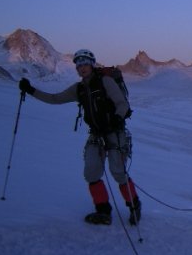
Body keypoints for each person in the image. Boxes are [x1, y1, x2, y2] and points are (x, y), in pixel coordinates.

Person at [18, 49, 141, 226]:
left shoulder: (106, 81)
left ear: (92, 64)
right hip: (97, 134)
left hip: (115, 132)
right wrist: (31, 90)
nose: (82, 67)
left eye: (85, 64)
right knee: (91, 172)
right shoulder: (79, 89)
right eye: (79, 64)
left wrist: (116, 119)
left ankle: (134, 205)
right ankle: (103, 211)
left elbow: (122, 104)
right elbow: (55, 98)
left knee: (118, 172)